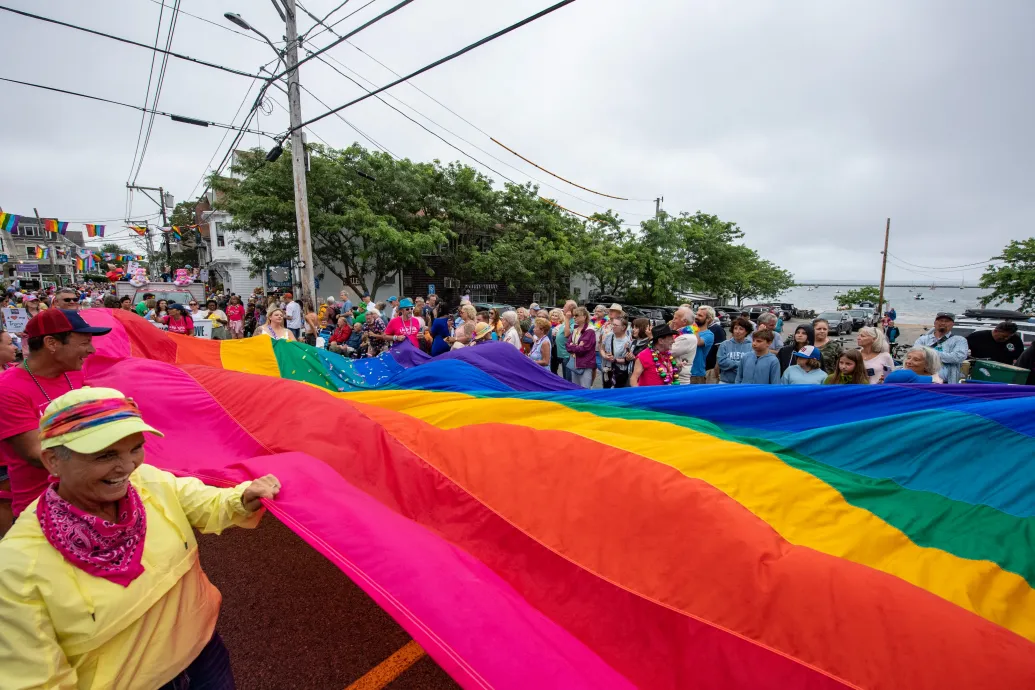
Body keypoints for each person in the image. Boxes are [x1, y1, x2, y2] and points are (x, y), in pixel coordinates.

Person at [0, 387, 281, 688]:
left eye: (135, 447)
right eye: (106, 455)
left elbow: (207, 503)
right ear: (53, 460)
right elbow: (35, 681)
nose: (127, 467)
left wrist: (243, 497)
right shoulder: (17, 567)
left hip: (205, 655)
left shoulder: (148, 480)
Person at [0, 309, 111, 520]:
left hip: (87, 498)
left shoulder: (75, 373)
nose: (92, 350)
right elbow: (37, 454)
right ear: (51, 343)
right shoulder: (7, 389)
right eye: (84, 342)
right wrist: (111, 456)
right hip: (40, 508)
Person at [913, 313, 968, 383]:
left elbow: (958, 357)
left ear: (952, 324)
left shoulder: (959, 340)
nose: (943, 323)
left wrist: (930, 354)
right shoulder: (923, 339)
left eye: (947, 321)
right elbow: (915, 355)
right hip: (922, 379)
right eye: (940, 320)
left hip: (947, 383)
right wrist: (944, 356)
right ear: (935, 323)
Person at [681, 306, 716, 384]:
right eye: (696, 314)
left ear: (708, 319)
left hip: (696, 375)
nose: (696, 317)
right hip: (682, 371)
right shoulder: (688, 330)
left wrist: (693, 325)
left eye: (700, 316)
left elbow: (697, 342)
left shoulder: (709, 334)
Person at [566, 307, 597, 388]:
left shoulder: (590, 331)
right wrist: (576, 346)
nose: (574, 317)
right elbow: (567, 345)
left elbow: (583, 349)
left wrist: (572, 345)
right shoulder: (575, 329)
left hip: (585, 364)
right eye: (573, 315)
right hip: (575, 363)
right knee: (576, 388)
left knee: (584, 388)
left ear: (584, 316)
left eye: (577, 315)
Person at [717, 317, 753, 384]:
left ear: (747, 331)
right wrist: (740, 364)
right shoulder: (724, 344)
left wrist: (731, 365)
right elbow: (721, 362)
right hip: (726, 382)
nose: (737, 331)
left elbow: (750, 365)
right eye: (735, 328)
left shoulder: (751, 346)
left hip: (743, 383)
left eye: (741, 329)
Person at [600, 316, 632, 387]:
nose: (613, 327)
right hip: (607, 370)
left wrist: (614, 360)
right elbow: (601, 348)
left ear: (623, 327)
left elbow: (627, 360)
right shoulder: (609, 336)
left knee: (617, 393)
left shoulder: (627, 342)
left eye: (615, 325)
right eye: (612, 324)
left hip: (619, 373)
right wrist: (604, 355)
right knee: (606, 391)